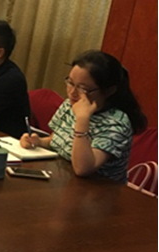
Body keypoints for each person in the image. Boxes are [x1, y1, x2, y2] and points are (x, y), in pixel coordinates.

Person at [20, 50, 146, 182]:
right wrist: (39, 142)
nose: (72, 93)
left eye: (83, 88)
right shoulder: (71, 104)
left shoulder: (116, 123)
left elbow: (83, 168)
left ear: (109, 91)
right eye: (70, 83)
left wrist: (82, 120)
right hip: (64, 179)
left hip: (99, 189)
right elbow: (57, 140)